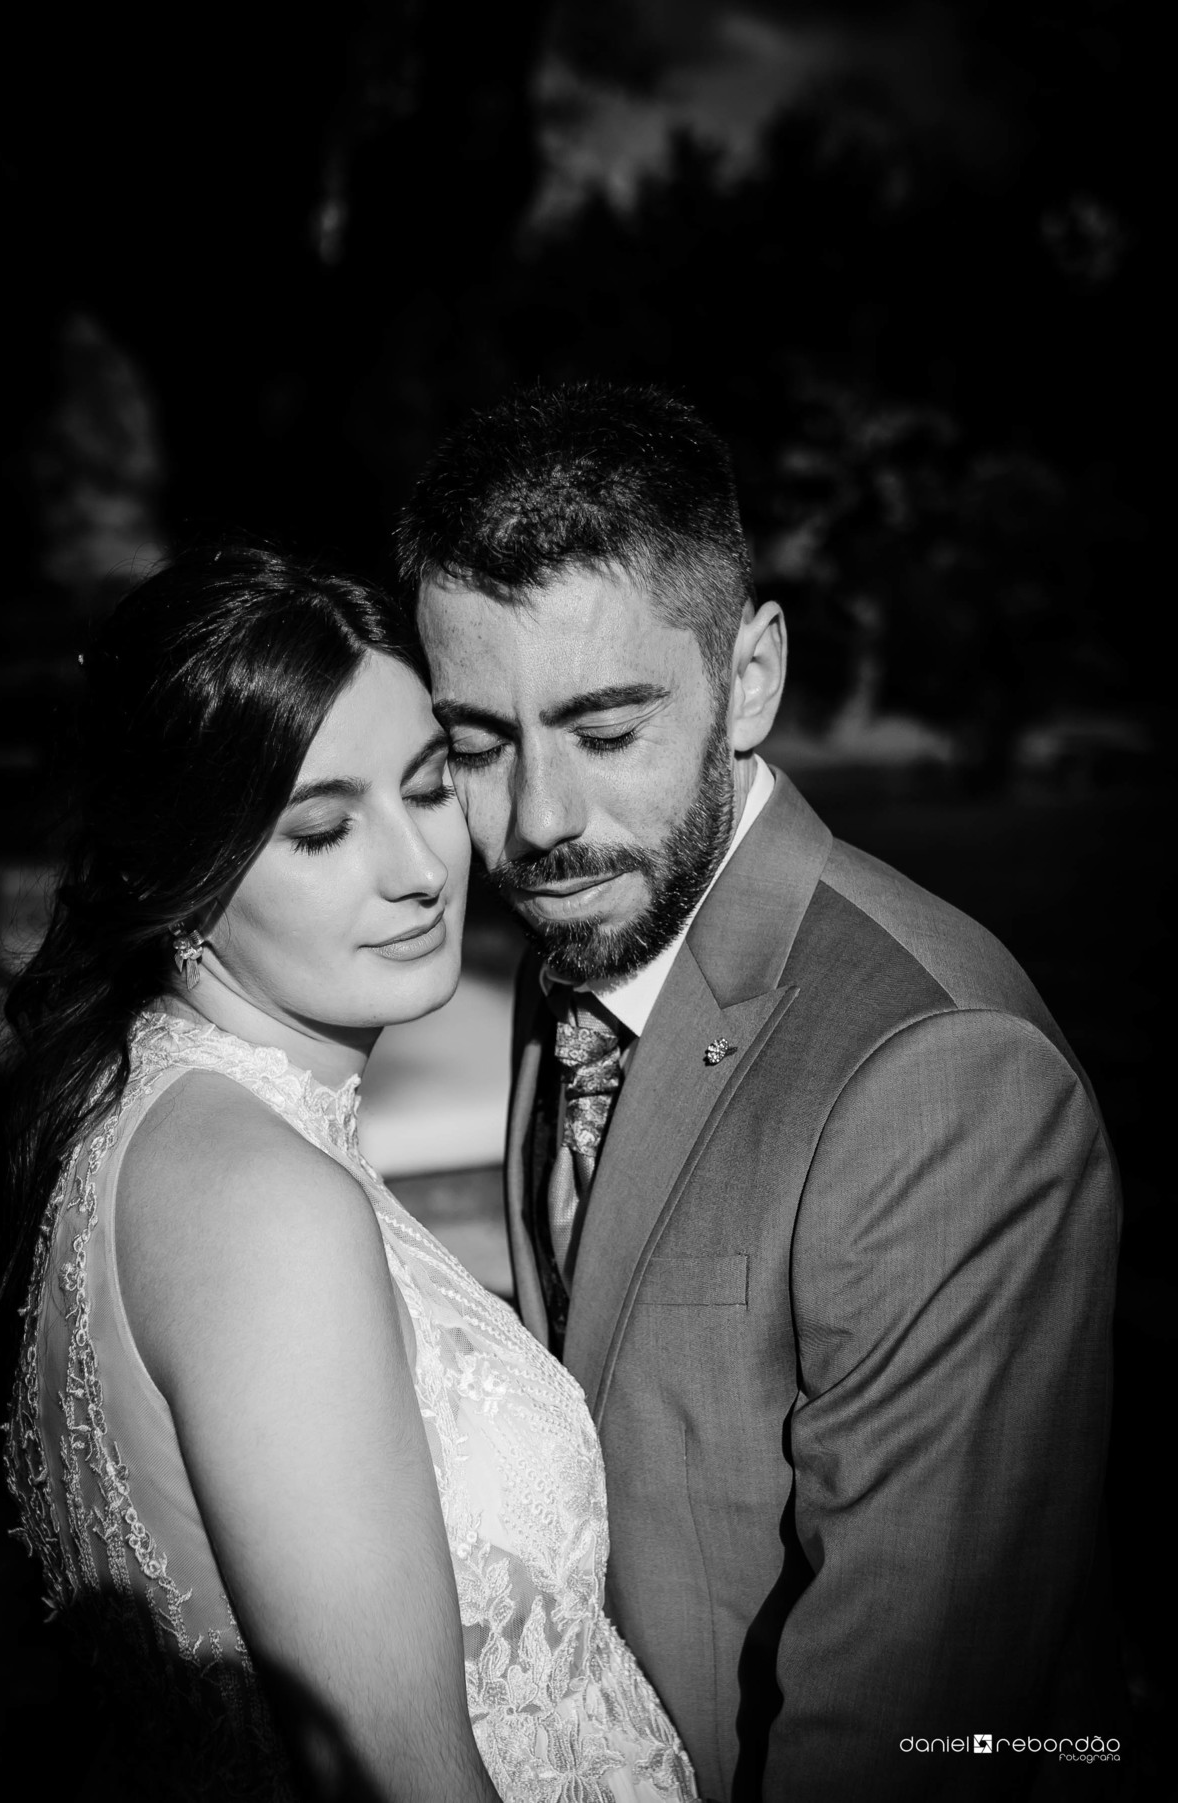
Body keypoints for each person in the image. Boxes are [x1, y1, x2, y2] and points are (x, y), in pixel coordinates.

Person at [399, 383, 1123, 1802]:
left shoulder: (943, 1075)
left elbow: (910, 1738)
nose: (540, 821)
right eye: (479, 744)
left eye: (607, 731)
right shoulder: (590, 949)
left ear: (752, 678)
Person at [0, 545, 697, 1803]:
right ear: (177, 872)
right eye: (321, 831)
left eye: (429, 787)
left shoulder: (155, 1118)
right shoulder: (260, 1208)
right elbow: (396, 1773)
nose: (419, 869)